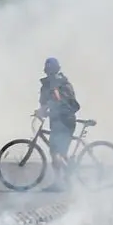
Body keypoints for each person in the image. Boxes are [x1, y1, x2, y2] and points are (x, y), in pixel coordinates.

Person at [35, 57, 80, 191]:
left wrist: (42, 111)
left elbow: (56, 98)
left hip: (61, 120)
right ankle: (69, 178)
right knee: (62, 151)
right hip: (68, 119)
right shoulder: (63, 80)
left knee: (55, 152)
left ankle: (58, 183)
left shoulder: (53, 82)